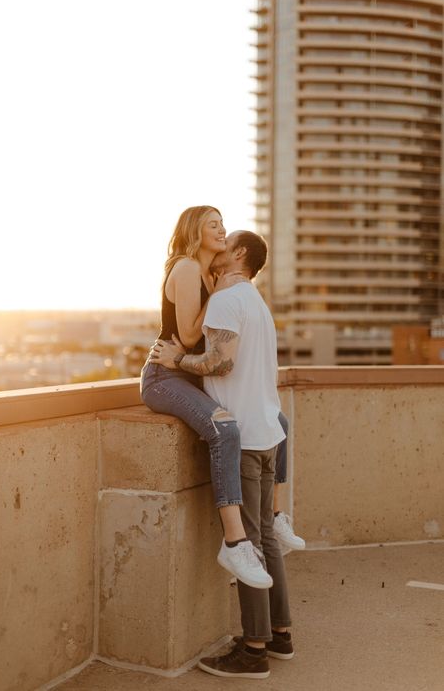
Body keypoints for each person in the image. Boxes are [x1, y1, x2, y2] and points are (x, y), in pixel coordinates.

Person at [151, 230, 293, 679]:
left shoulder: (228, 299)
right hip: (268, 430)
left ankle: (253, 650)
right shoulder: (258, 303)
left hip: (247, 438)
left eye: (225, 241)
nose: (218, 247)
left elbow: (221, 362)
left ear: (239, 255)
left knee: (248, 543)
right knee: (267, 537)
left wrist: (177, 362)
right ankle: (281, 634)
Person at [141, 207, 303, 587]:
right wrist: (220, 292)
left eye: (223, 225)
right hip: (165, 376)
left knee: (277, 420)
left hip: (188, 376)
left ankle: (276, 517)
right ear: (195, 229)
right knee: (225, 429)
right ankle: (234, 542)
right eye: (213, 224)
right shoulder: (184, 268)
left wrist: (218, 288)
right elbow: (186, 336)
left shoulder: (211, 277)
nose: (222, 230)